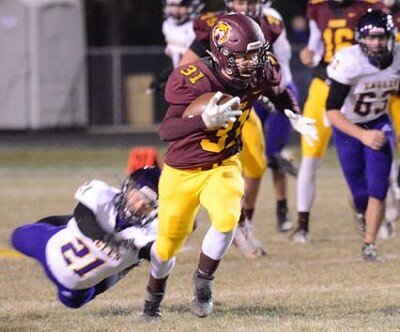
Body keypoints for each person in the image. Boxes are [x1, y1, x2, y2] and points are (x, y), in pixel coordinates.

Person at [140, 13, 317, 320]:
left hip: (223, 162)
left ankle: (204, 281)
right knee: (167, 245)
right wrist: (201, 122)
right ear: (222, 53)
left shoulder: (261, 69)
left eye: (255, 54)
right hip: (181, 170)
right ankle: (153, 299)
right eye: (243, 56)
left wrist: (295, 115)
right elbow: (166, 131)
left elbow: (280, 92)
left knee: (226, 219)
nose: (252, 62)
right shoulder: (194, 77)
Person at [178, 0, 299, 259]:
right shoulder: (215, 26)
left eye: (251, 1)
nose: (245, 6)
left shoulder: (269, 24)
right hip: (214, 105)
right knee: (191, 164)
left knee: (255, 164)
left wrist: (264, 91)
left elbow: (273, 70)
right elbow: (185, 66)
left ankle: (243, 224)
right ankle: (166, 218)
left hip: (244, 105)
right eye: (240, 0)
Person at [291, 0, 384, 244]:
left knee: (378, 150)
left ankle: (379, 214)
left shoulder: (367, 6)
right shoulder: (318, 7)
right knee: (310, 155)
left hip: (358, 88)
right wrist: (308, 55)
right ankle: (302, 225)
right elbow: (313, 45)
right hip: (323, 84)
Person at [11, 167, 164, 308]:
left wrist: (152, 305)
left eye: (148, 204)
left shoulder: (150, 234)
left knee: (72, 303)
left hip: (74, 288)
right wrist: (109, 239)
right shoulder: (103, 193)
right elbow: (83, 218)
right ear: (129, 188)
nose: (138, 206)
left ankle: (124, 267)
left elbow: (162, 264)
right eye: (138, 197)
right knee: (17, 237)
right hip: (48, 245)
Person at [325, 9, 399, 261]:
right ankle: (361, 211)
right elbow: (332, 111)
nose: (378, 43)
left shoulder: (398, 59)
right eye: (372, 37)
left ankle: (369, 245)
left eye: (382, 37)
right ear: (361, 39)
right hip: (348, 126)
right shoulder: (350, 62)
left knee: (378, 188)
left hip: (379, 122)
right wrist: (362, 135)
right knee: (361, 195)